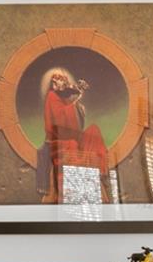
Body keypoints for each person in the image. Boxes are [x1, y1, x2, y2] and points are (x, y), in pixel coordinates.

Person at [39, 66, 112, 204]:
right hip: (59, 140)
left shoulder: (65, 97)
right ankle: (75, 189)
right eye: (57, 80)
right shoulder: (52, 96)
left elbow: (76, 124)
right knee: (72, 145)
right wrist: (75, 105)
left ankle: (102, 171)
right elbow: (60, 120)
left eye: (63, 80)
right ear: (53, 83)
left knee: (94, 130)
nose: (61, 83)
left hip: (72, 137)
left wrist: (77, 106)